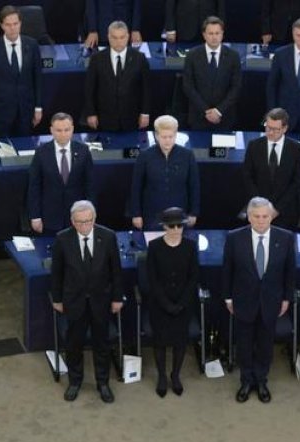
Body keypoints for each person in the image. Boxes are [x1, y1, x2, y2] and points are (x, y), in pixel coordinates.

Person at [222, 196, 295, 404]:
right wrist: (228, 298)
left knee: (265, 345)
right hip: (243, 301)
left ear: (271, 217)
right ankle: (246, 381)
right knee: (244, 344)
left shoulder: (286, 237)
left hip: (271, 302)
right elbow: (227, 270)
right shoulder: (234, 237)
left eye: (265, 216)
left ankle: (261, 381)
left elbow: (290, 272)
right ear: (249, 217)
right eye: (256, 216)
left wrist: (287, 299)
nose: (261, 221)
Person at [50, 200, 124, 403]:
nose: (84, 226)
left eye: (88, 221)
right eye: (80, 222)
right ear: (72, 221)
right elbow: (56, 273)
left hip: (101, 301)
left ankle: (103, 383)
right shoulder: (62, 239)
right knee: (74, 344)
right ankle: (75, 382)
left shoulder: (107, 237)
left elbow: (116, 271)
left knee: (102, 344)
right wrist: (57, 299)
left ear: (94, 219)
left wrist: (117, 298)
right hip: (74, 302)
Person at [145, 207, 199, 397]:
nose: (176, 229)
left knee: (180, 341)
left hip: (183, 304)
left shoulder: (191, 246)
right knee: (159, 341)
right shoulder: (154, 246)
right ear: (164, 227)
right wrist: (166, 303)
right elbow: (153, 279)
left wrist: (182, 303)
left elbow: (193, 278)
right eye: (172, 226)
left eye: (179, 225)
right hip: (160, 304)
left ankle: (175, 375)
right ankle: (161, 376)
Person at [0, 5, 43, 138]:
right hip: (1, 110)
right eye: (8, 24)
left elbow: (38, 78)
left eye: (15, 24)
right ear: (2, 26)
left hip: (26, 109)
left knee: (25, 147)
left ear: (20, 23)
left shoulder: (32, 45)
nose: (12, 28)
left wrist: (38, 108)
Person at [128, 114, 200, 229]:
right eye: (164, 137)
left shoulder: (187, 155)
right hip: (152, 215)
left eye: (171, 137)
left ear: (176, 135)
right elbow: (136, 187)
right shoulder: (145, 156)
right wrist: (136, 214)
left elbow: (194, 186)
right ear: (156, 135)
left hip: (179, 214)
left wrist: (194, 212)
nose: (167, 140)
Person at [28, 112, 94, 233]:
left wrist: (90, 215)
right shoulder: (41, 153)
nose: (63, 134)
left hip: (77, 218)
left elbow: (90, 185)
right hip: (50, 217)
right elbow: (34, 187)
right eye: (58, 130)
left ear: (72, 129)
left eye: (66, 130)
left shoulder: (83, 151)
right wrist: (35, 216)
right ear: (51, 130)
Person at [84, 21, 152, 133]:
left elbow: (146, 89)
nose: (118, 42)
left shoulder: (139, 58)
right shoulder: (97, 59)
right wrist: (91, 113)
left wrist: (145, 113)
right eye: (114, 37)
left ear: (128, 37)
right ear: (108, 37)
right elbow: (89, 88)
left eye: (122, 37)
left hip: (132, 116)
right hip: (105, 117)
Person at [241, 107, 300, 228]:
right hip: (258, 211)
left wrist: (276, 209)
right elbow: (247, 176)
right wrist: (261, 206)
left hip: (285, 211)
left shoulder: (296, 149)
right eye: (268, 127)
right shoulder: (254, 146)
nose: (270, 132)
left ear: (285, 129)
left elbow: (297, 182)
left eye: (275, 129)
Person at [181, 16, 242, 132]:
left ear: (222, 34)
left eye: (217, 33)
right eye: (210, 33)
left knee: (222, 150)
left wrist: (218, 111)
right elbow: (188, 86)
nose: (214, 37)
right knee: (199, 150)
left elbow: (236, 87)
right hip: (198, 117)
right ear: (204, 35)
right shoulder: (192, 55)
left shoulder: (233, 56)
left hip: (224, 117)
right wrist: (206, 111)